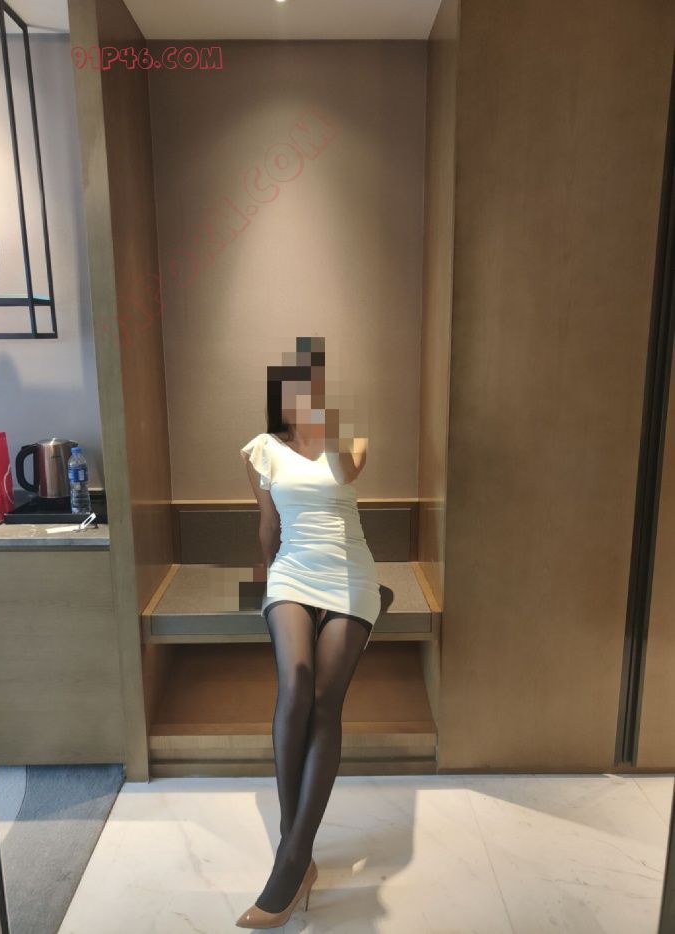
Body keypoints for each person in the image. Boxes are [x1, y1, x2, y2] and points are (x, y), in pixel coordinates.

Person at [235, 337, 381, 928]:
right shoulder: (261, 450)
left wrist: (329, 423)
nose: (309, 395)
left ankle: (292, 860)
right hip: (292, 572)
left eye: (317, 386)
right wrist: (264, 580)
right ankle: (296, 852)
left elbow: (343, 471)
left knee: (324, 698)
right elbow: (268, 525)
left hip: (349, 571)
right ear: (281, 394)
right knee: (294, 684)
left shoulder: (351, 442)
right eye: (299, 385)